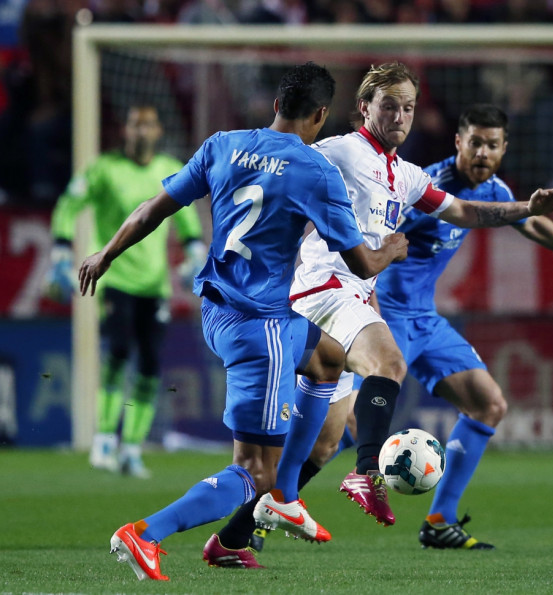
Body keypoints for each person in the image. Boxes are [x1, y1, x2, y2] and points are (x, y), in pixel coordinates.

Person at [228, 102, 553, 556]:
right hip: (380, 314)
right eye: (475, 142)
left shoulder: (495, 189)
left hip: (426, 320)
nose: (483, 153)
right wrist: (363, 299)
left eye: (493, 145)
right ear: (458, 142)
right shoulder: (422, 186)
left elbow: (531, 223)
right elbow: (368, 234)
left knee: (489, 405)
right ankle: (255, 520)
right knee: (331, 438)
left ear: (504, 150)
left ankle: (440, 520)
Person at [78, 62, 408, 581]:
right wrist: (390, 247)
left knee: (327, 360)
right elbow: (362, 265)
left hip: (216, 310)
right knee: (254, 469)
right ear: (321, 115)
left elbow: (153, 209)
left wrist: (106, 254)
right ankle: (146, 533)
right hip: (261, 327)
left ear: (277, 103)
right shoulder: (315, 170)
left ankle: (286, 498)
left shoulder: (222, 144)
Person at [46, 104, 206, 478]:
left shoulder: (169, 169)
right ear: (125, 131)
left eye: (147, 125)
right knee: (119, 353)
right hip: (116, 279)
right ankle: (103, 438)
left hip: (155, 284)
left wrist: (195, 254)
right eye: (134, 125)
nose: (140, 132)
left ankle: (131, 447)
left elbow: (186, 220)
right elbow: (69, 206)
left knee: (150, 365)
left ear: (158, 131)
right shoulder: (103, 170)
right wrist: (60, 251)